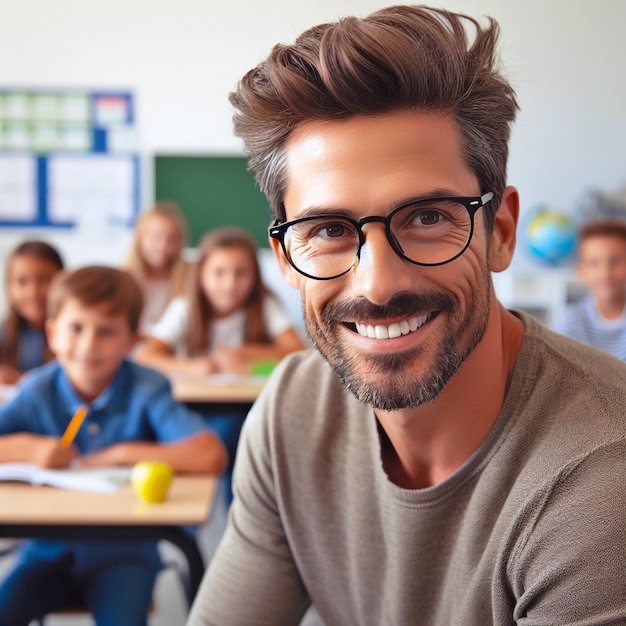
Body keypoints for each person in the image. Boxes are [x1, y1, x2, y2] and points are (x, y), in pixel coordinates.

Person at [186, 6, 626, 626]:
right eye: (330, 230)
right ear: (286, 259)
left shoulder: (603, 479)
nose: (379, 283)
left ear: (499, 231)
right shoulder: (293, 414)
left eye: (427, 218)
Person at [0, 265, 227, 626]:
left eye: (106, 331)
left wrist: (123, 455)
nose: (89, 345)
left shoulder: (147, 388)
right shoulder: (35, 391)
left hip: (126, 553)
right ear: (53, 333)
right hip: (45, 552)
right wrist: (27, 448)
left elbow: (210, 453)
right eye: (76, 329)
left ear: (132, 342)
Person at [135, 226, 305, 376]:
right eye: (218, 272)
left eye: (241, 273)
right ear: (200, 274)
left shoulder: (265, 305)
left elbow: (299, 354)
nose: (230, 284)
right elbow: (145, 357)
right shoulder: (185, 308)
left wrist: (246, 361)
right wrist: (193, 368)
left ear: (255, 276)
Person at [556, 218, 626, 360]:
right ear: (581, 271)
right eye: (594, 263)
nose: (605, 272)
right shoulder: (572, 320)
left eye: (615, 261)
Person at [0, 240, 64, 384]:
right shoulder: (5, 333)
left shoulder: (74, 333)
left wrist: (25, 380)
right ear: (8, 286)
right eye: (22, 282)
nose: (33, 292)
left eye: (43, 280)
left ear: (62, 282)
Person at [123, 201, 191, 335]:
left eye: (172, 239)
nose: (162, 245)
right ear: (140, 238)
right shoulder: (123, 279)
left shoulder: (190, 278)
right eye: (155, 237)